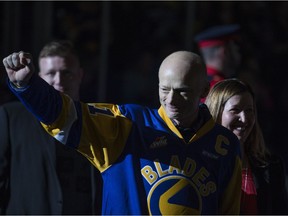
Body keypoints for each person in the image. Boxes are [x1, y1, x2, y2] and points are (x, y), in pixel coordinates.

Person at [3, 50, 242, 214]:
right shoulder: (128, 123)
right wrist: (28, 86)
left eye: (183, 91)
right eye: (164, 89)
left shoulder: (224, 145)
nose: (171, 100)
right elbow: (67, 116)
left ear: (204, 88)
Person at [0, 40, 102, 214]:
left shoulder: (97, 121)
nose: (58, 81)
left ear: (80, 75)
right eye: (51, 73)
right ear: (39, 77)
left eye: (66, 73)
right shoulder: (11, 117)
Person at [205, 78, 288, 214]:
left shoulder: (272, 166)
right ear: (216, 113)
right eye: (235, 110)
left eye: (249, 110)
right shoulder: (200, 164)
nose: (244, 119)